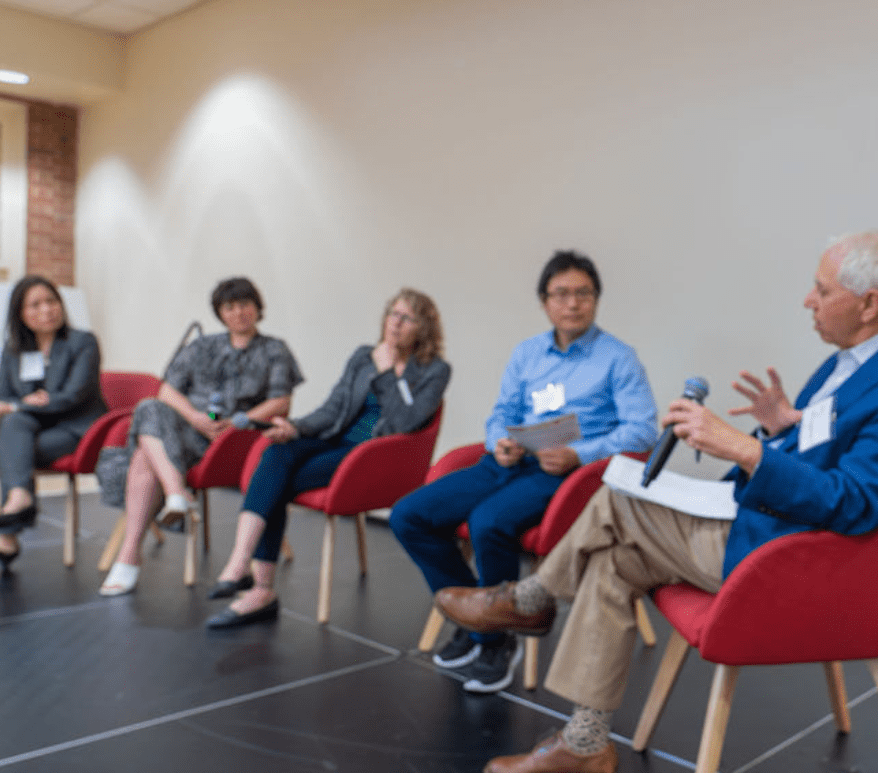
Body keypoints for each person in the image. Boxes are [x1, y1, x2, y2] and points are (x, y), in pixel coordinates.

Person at [436, 232, 878, 773]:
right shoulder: (853, 361)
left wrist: (746, 447)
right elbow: (830, 451)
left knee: (619, 500)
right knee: (614, 559)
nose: (808, 300)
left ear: (869, 304)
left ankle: (530, 598)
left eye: (822, 291)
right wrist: (783, 431)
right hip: (770, 526)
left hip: (792, 560)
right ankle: (586, 742)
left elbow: (855, 502)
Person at [390, 250, 657, 694]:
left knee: (489, 522)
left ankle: (496, 641)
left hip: (566, 476)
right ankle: (476, 621)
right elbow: (502, 413)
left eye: (583, 294)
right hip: (510, 461)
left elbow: (642, 430)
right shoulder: (528, 353)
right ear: (544, 302)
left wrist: (581, 455)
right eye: (561, 294)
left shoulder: (617, 359)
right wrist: (500, 441)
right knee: (408, 516)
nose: (573, 303)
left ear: (596, 300)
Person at [204, 288, 451, 629]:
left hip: (370, 455)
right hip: (335, 440)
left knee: (277, 479)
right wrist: (294, 427)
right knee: (277, 451)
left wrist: (390, 371)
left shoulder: (434, 370)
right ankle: (239, 563)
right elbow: (333, 408)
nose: (395, 324)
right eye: (392, 314)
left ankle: (259, 588)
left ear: (423, 327)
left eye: (406, 318)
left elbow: (406, 421)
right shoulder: (363, 356)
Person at [96, 277, 303, 596]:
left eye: (245, 305)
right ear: (220, 314)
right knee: (149, 406)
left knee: (143, 456)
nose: (238, 313)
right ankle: (176, 492)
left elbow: (281, 401)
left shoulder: (274, 350)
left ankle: (131, 554)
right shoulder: (202, 347)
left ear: (257, 308)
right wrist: (194, 417)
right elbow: (167, 389)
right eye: (230, 307)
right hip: (194, 431)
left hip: (238, 442)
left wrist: (240, 421)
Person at [0, 276, 106, 568]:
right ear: (20, 314)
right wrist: (11, 405)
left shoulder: (83, 342)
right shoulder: (13, 351)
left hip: (77, 428)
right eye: (35, 305)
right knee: (14, 426)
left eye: (51, 301)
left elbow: (72, 396)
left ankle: (7, 536)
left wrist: (17, 405)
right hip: (31, 428)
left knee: (12, 448)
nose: (46, 309)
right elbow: (2, 396)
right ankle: (20, 498)